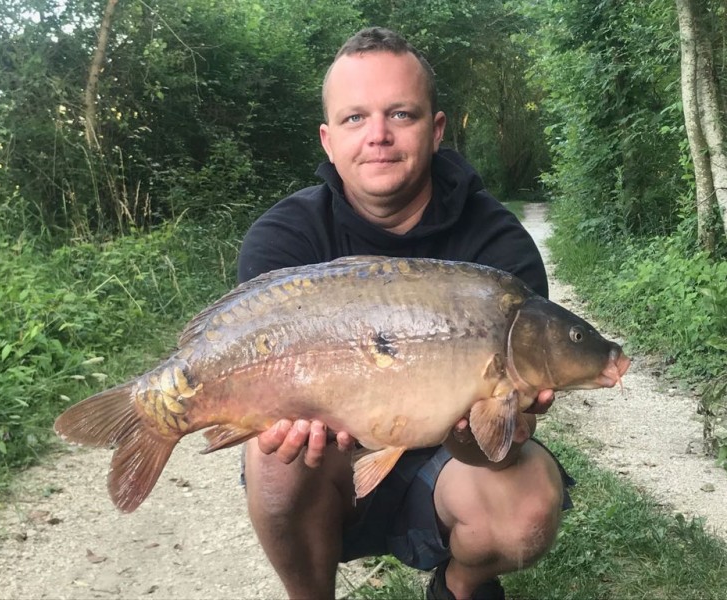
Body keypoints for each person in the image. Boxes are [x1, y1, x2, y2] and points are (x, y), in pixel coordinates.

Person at [237, 27, 571, 600]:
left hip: (448, 465)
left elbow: (498, 445)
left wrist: (489, 428)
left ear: (436, 129)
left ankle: (460, 584)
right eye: (354, 118)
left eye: (401, 114)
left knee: (528, 507)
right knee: (274, 461)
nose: (379, 136)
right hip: (328, 463)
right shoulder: (283, 238)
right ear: (327, 139)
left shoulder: (498, 248)